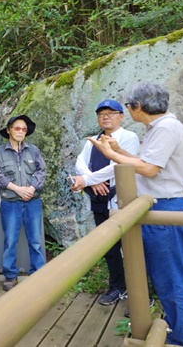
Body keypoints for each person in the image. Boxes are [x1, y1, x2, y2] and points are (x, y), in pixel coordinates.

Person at [89, 83, 183, 347]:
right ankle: (175, 332)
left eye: (128, 106)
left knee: (171, 281)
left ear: (138, 107)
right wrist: (119, 151)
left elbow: (149, 169)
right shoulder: (158, 128)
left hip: (165, 209)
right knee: (165, 279)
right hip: (159, 208)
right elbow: (146, 161)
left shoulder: (166, 128)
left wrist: (109, 153)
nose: (128, 110)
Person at [70, 99, 140, 305]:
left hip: (122, 199)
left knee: (132, 246)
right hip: (99, 198)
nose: (106, 116)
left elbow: (120, 164)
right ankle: (117, 286)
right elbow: (80, 163)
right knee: (109, 246)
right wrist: (92, 182)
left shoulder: (129, 137)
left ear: (121, 116)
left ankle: (140, 294)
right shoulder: (93, 139)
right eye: (101, 114)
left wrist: (90, 180)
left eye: (111, 113)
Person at [0, 115, 47, 291]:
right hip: (11, 202)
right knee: (10, 240)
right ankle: (10, 275)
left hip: (33, 201)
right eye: (17, 128)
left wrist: (31, 188)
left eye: (24, 129)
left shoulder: (34, 150)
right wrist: (18, 189)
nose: (21, 131)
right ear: (8, 130)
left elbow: (41, 171)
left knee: (36, 240)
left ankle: (38, 273)